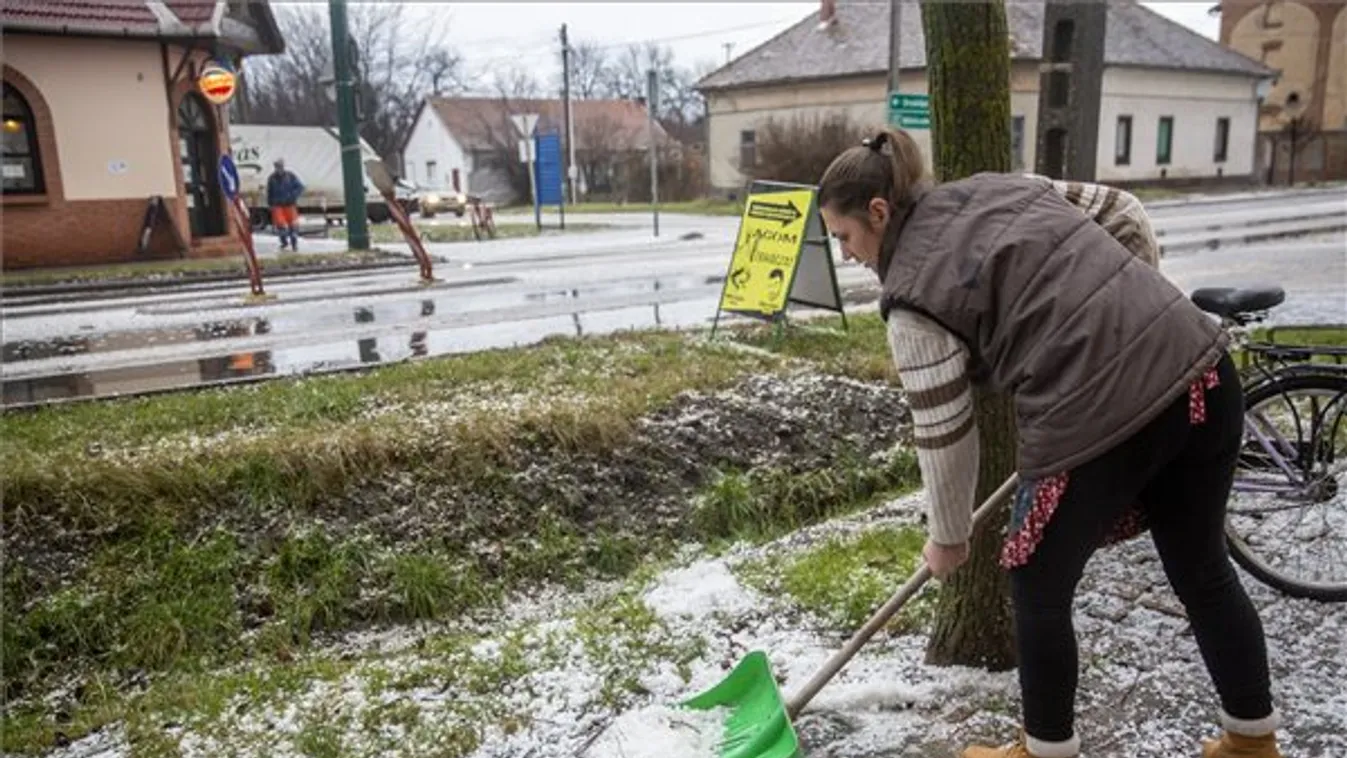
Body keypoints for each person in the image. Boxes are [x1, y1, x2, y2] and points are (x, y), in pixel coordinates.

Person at [816, 127, 1281, 758]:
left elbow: (945, 433)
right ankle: (1253, 743)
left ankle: (1045, 752)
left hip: (1099, 408)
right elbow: (1123, 211)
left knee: (1036, 582)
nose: (845, 254)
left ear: (878, 213)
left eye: (844, 237)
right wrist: (1131, 314)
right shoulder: (997, 189)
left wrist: (949, 536)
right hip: (1200, 369)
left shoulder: (910, 300)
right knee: (1202, 567)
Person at [266, 159, 304, 251]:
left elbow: (300, 187)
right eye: (277, 167)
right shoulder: (271, 178)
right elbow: (269, 192)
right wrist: (270, 204)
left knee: (293, 225)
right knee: (281, 225)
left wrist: (293, 196)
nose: (279, 169)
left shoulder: (290, 176)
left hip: (290, 205)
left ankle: (294, 244)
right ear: (275, 167)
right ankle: (284, 242)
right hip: (277, 205)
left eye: (280, 166)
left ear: (283, 166)